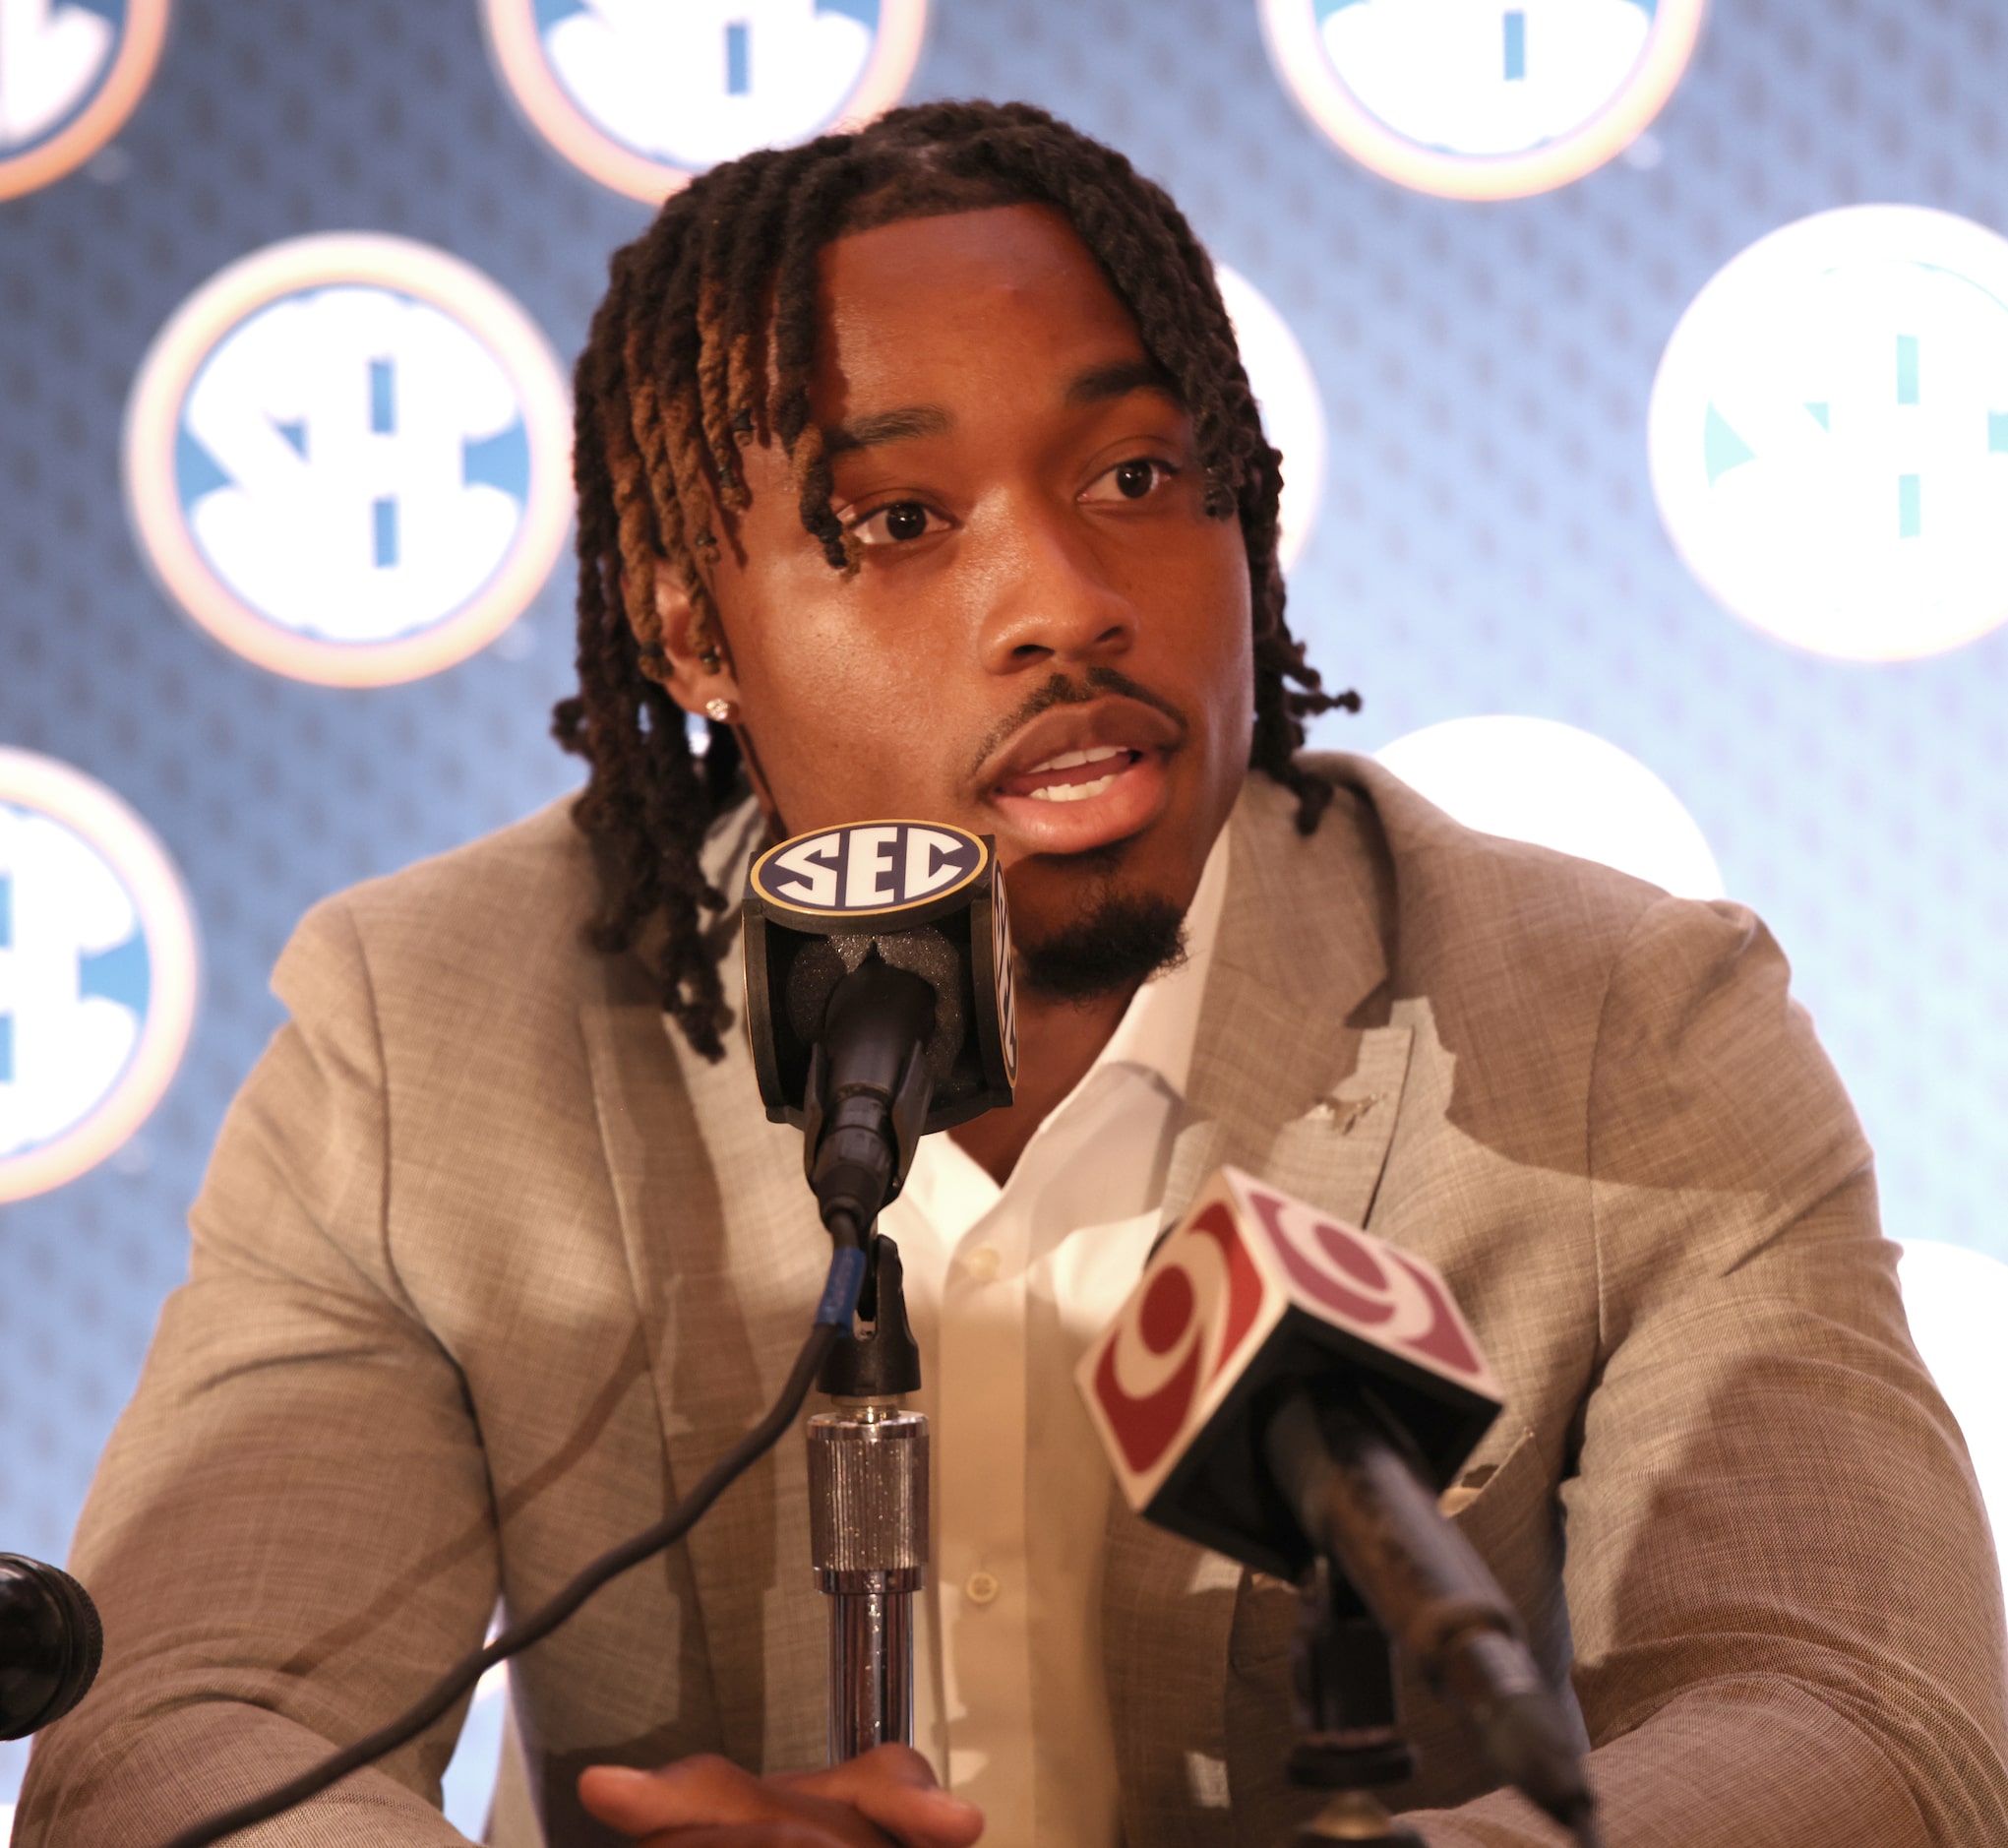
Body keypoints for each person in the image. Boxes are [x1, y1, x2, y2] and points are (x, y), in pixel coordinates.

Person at [19, 100, 2008, 1848]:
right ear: (688, 629)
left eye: (1139, 479)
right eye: (895, 521)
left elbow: (1854, 1719)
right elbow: (183, 1737)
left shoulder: (1614, 1027)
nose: (1063, 601)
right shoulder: (437, 1037)